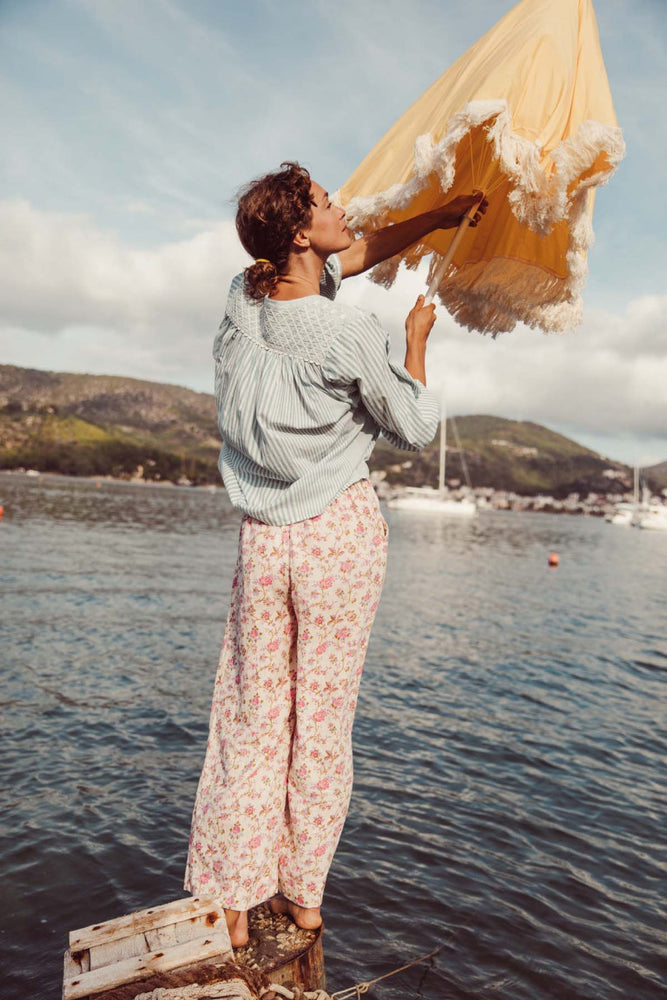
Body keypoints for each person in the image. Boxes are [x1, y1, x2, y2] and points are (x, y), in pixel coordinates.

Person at [183, 162, 487, 947]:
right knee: (320, 720)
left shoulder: (243, 296)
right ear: (296, 232)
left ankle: (236, 901)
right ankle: (304, 897)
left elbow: (346, 257)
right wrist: (415, 346)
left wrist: (437, 217)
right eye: (325, 203)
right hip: (338, 537)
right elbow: (413, 427)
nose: (341, 208)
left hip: (264, 540)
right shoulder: (352, 331)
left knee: (250, 715)